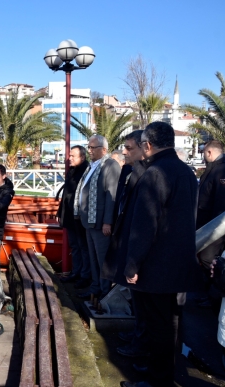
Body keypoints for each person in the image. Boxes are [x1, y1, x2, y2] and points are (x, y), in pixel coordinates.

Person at [117, 122, 204, 387]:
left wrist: (132, 265)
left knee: (158, 327)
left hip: (156, 266)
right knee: (170, 326)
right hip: (178, 264)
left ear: (148, 145)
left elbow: (145, 225)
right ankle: (161, 372)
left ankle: (157, 380)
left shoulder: (155, 173)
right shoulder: (186, 172)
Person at [102, 130, 150, 358]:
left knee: (145, 306)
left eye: (129, 148)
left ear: (144, 147)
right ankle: (136, 335)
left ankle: (140, 347)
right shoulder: (130, 170)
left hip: (140, 249)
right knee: (138, 303)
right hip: (124, 238)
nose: (124, 151)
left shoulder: (149, 174)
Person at [74, 134, 120, 299]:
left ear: (104, 149)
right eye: (89, 147)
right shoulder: (92, 166)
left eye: (93, 148)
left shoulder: (110, 166)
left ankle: (105, 292)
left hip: (101, 223)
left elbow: (111, 195)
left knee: (103, 260)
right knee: (93, 259)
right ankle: (95, 287)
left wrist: (108, 221)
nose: (90, 150)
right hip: (89, 221)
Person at [57, 146, 91, 288]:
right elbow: (66, 194)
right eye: (70, 155)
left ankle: (84, 275)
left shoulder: (86, 171)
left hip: (80, 217)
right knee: (75, 246)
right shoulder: (72, 171)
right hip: (70, 216)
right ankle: (76, 272)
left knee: (83, 247)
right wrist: (60, 213)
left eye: (73, 156)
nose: (69, 158)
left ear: (82, 157)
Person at [197, 140, 225, 309]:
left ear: (209, 153)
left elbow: (220, 203)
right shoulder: (215, 167)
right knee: (205, 259)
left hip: (215, 227)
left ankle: (214, 296)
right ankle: (209, 294)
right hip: (207, 224)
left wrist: (215, 228)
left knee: (209, 259)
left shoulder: (221, 169)